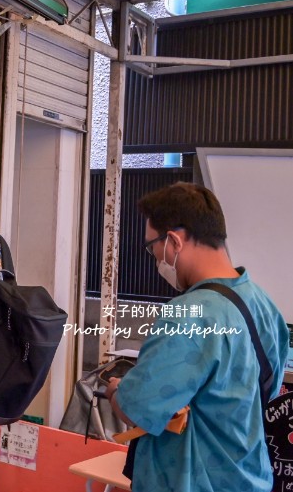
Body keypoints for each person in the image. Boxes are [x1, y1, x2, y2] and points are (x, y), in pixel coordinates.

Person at [105, 182, 287, 492]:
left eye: (153, 247)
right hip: (249, 477)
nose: (155, 258)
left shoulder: (186, 315)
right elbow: (265, 395)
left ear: (174, 241)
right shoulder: (264, 304)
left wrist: (115, 390)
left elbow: (136, 410)